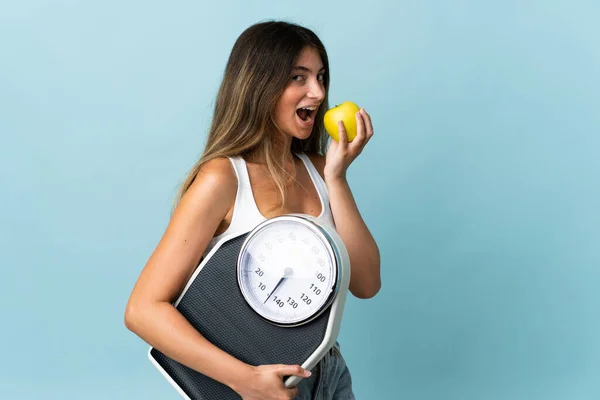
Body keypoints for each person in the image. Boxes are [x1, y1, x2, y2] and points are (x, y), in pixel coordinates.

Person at [124, 20, 381, 400]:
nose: (318, 91)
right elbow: (143, 309)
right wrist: (243, 379)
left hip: (328, 375)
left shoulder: (320, 171)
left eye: (321, 77)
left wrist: (337, 177)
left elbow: (366, 283)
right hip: (254, 384)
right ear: (260, 86)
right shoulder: (223, 178)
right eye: (299, 77)